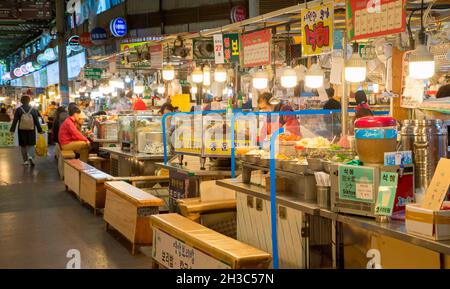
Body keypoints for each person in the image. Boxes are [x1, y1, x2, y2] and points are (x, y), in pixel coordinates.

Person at [9, 95, 43, 166]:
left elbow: (15, 120)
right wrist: (40, 130)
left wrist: (12, 130)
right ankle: (30, 156)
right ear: (29, 101)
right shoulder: (33, 110)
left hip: (21, 130)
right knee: (31, 144)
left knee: (23, 145)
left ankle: (25, 161)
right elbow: (36, 121)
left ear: (21, 101)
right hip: (31, 129)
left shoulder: (18, 110)